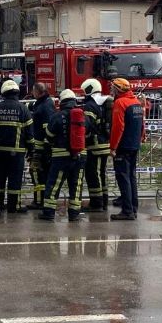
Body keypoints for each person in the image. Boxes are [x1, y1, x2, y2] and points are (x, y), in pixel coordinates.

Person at [38, 89, 87, 222]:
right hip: (80, 155)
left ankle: (48, 212)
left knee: (54, 184)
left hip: (61, 156)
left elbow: (49, 135)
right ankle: (74, 213)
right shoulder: (82, 115)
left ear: (61, 101)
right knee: (76, 185)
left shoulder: (57, 116)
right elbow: (88, 133)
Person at [0, 79, 34, 213]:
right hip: (17, 152)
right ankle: (13, 206)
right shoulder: (23, 109)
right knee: (14, 180)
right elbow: (29, 133)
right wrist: (32, 151)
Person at [109, 78, 145, 221]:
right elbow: (142, 124)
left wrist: (113, 147)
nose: (111, 91)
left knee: (123, 178)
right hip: (134, 145)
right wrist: (141, 138)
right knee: (131, 177)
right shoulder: (136, 102)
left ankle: (127, 211)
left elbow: (118, 127)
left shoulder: (120, 103)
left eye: (113, 88)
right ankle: (133, 208)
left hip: (123, 146)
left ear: (118, 90)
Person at [80, 78, 111, 212]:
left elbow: (87, 125)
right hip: (105, 144)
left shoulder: (90, 106)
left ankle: (96, 203)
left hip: (95, 145)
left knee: (93, 174)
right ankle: (103, 201)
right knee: (102, 174)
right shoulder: (104, 102)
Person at [28, 82, 55, 210]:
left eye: (33, 91)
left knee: (37, 174)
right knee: (41, 174)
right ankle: (41, 199)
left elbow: (47, 128)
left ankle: (39, 201)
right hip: (42, 148)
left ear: (38, 92)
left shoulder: (45, 107)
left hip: (41, 149)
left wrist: (44, 149)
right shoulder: (45, 103)